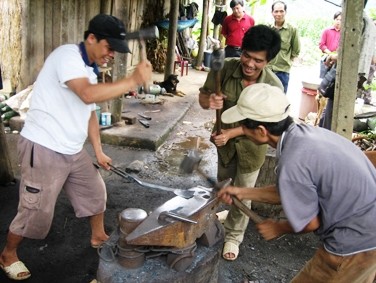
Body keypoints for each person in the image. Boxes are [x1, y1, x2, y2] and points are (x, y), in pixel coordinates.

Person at [0, 14, 152, 281]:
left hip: (72, 150)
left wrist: (98, 149)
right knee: (34, 210)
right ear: (91, 38)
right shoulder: (67, 56)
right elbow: (87, 94)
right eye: (109, 48)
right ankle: (8, 254)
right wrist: (132, 80)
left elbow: (89, 111)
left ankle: (98, 236)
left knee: (95, 192)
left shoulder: (89, 70)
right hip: (44, 146)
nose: (111, 55)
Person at [218, 83, 376, 282]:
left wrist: (277, 227)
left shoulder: (294, 159)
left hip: (356, 240)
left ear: (260, 130)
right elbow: (291, 189)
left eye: (243, 127)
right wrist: (241, 192)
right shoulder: (303, 135)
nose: (241, 131)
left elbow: (310, 223)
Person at [198, 25, 283, 261]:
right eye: (246, 55)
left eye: (258, 60)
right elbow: (203, 97)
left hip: (252, 149)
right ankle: (216, 221)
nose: (250, 64)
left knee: (244, 193)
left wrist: (231, 133)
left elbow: (265, 128)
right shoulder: (223, 69)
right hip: (224, 147)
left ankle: (234, 236)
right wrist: (210, 101)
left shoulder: (274, 86)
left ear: (268, 61)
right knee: (224, 187)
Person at [267, 1, 300, 93]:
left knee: (280, 99)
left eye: (281, 11)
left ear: (285, 12)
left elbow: (296, 51)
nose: (279, 14)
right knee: (264, 98)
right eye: (276, 11)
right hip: (267, 69)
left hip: (282, 72)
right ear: (272, 12)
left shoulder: (292, 29)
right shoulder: (268, 28)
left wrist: (285, 61)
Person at [319, 11, 341, 78]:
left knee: (332, 81)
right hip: (326, 58)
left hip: (337, 60)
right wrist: (330, 54)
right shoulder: (327, 30)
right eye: (337, 19)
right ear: (334, 20)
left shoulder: (344, 33)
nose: (338, 22)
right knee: (323, 80)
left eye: (341, 20)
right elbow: (321, 45)